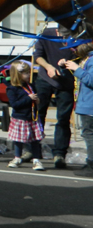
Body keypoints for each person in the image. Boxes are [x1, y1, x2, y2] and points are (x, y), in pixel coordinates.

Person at [33, 24, 75, 169]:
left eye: (67, 36)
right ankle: (31, 150)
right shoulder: (47, 33)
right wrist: (49, 67)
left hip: (66, 81)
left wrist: (70, 64)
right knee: (38, 114)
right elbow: (37, 56)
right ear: (57, 30)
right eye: (62, 36)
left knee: (63, 118)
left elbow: (82, 55)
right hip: (45, 78)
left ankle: (59, 154)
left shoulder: (78, 36)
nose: (65, 39)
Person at [60, 43, 93, 177]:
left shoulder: (91, 60)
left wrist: (76, 69)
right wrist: (65, 68)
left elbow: (91, 80)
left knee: (89, 135)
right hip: (86, 104)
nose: (73, 51)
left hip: (90, 106)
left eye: (74, 48)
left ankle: (91, 165)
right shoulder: (86, 60)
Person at [6, 61, 45, 171]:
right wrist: (28, 98)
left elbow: (35, 97)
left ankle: (36, 159)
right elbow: (15, 104)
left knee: (35, 140)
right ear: (17, 74)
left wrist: (37, 100)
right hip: (20, 118)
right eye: (25, 73)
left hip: (32, 117)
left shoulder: (31, 86)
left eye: (28, 72)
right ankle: (17, 157)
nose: (28, 75)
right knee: (18, 140)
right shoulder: (12, 89)